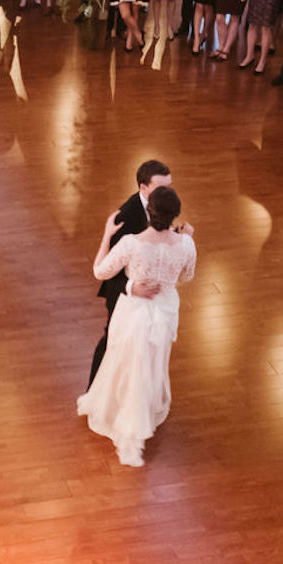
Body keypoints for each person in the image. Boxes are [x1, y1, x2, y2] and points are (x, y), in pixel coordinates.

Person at [79, 186, 196, 468]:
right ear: (174, 215)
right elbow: (188, 276)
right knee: (153, 361)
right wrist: (185, 242)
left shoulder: (131, 243)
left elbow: (100, 271)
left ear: (150, 213)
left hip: (134, 312)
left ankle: (121, 411)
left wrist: (107, 235)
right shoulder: (186, 244)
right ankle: (144, 408)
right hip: (165, 310)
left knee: (126, 361)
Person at [88, 161, 175, 387]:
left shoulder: (163, 205)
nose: (166, 192)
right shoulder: (125, 217)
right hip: (123, 295)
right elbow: (109, 267)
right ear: (143, 188)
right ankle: (95, 389)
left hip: (149, 300)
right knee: (112, 341)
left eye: (169, 187)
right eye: (160, 187)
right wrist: (130, 287)